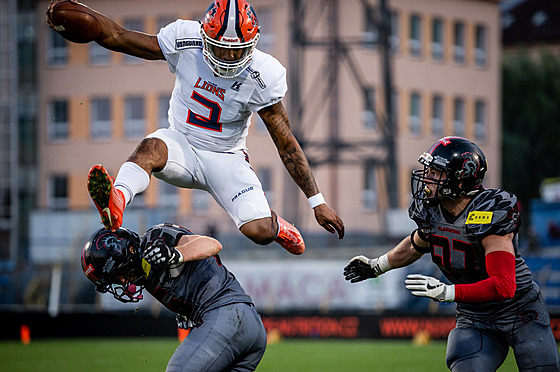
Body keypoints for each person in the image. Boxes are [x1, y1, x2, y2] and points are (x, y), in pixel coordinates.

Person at [46, 0, 345, 256]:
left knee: (259, 231)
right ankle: (117, 202)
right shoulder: (185, 39)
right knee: (148, 149)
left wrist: (316, 202)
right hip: (180, 144)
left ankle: (277, 225)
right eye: (220, 48)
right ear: (204, 37)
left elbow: (286, 144)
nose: (228, 57)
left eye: (237, 51)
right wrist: (85, 15)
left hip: (226, 157)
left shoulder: (263, 75)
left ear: (252, 46)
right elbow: (121, 37)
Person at [343, 136, 560, 371]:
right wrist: (377, 266)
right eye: (428, 171)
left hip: (518, 310)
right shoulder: (433, 211)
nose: (427, 178)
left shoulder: (488, 211)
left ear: (460, 178)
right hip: (474, 315)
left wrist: (447, 292)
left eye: (436, 173)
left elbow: (504, 286)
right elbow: (416, 244)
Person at [81, 222, 267, 371]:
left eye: (118, 274)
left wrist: (174, 254)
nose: (122, 281)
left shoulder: (152, 240)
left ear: (128, 251)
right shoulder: (146, 274)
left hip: (228, 315)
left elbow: (212, 244)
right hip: (249, 326)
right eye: (115, 280)